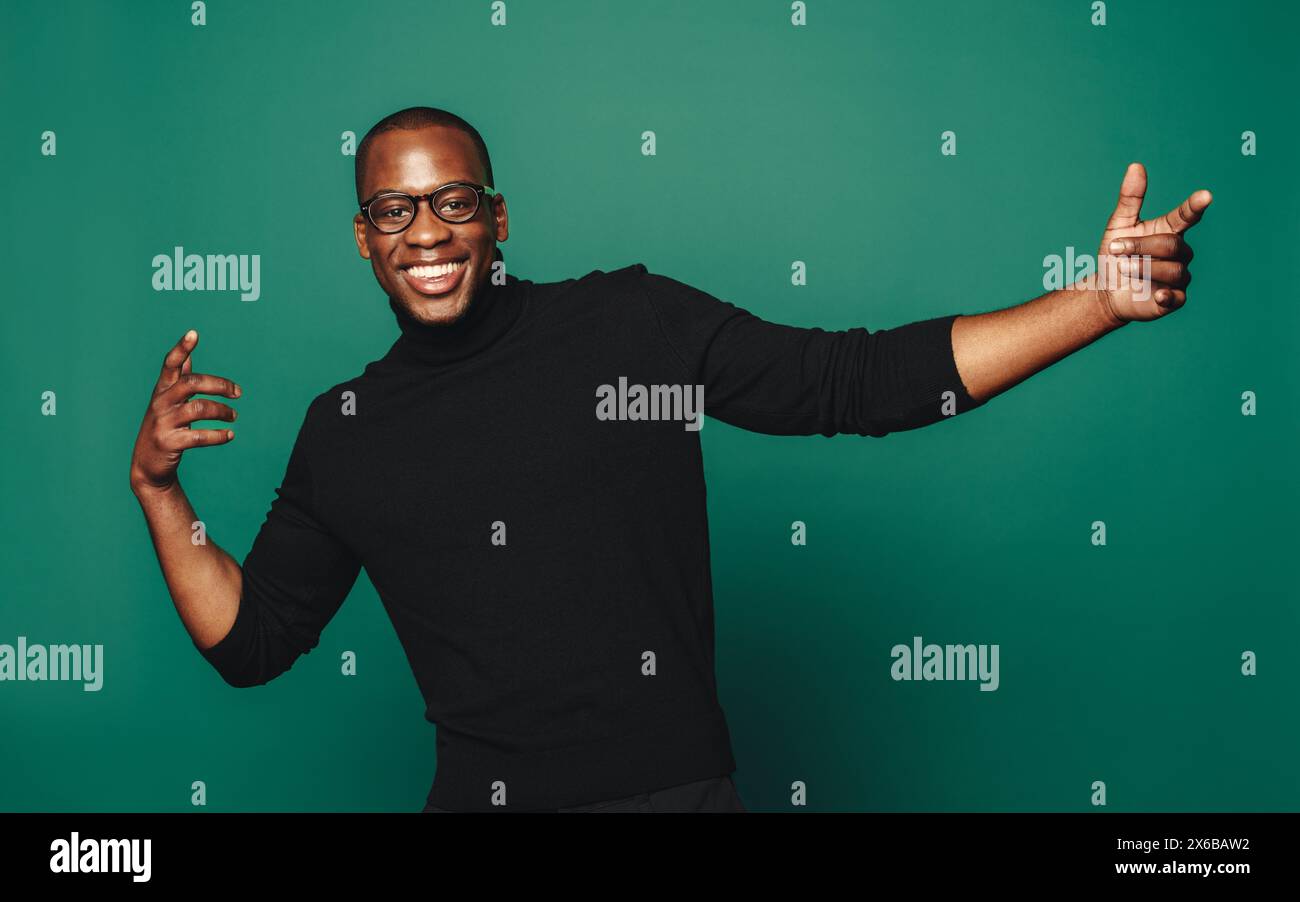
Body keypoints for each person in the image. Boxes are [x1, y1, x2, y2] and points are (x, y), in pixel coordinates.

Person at [128, 106, 1211, 812]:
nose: (428, 231)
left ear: (497, 216)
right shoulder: (347, 427)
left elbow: (854, 384)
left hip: (674, 793)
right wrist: (160, 490)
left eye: (454, 201)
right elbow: (252, 640)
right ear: (362, 237)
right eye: (394, 209)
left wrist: (1095, 302)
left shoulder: (629, 324)